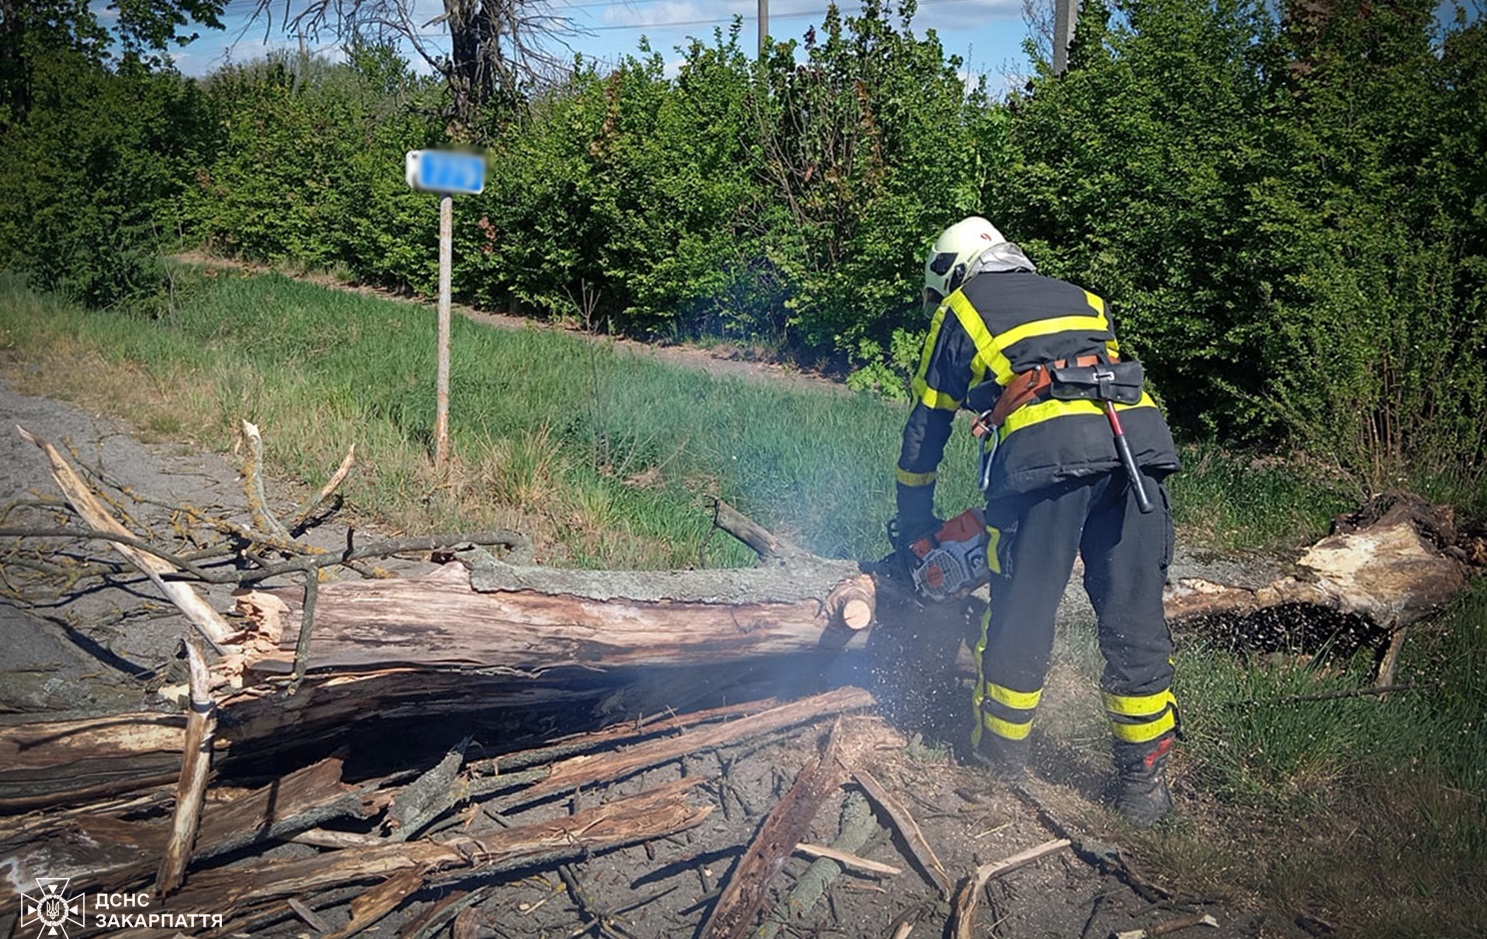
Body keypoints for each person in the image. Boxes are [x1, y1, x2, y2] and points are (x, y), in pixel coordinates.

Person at [893, 216, 1182, 827]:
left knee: (1022, 612)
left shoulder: (962, 308)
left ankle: (999, 763)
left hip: (1046, 465)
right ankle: (1143, 785)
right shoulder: (1084, 297)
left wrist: (913, 521)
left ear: (952, 272)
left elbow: (928, 423)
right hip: (1138, 454)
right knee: (1134, 620)